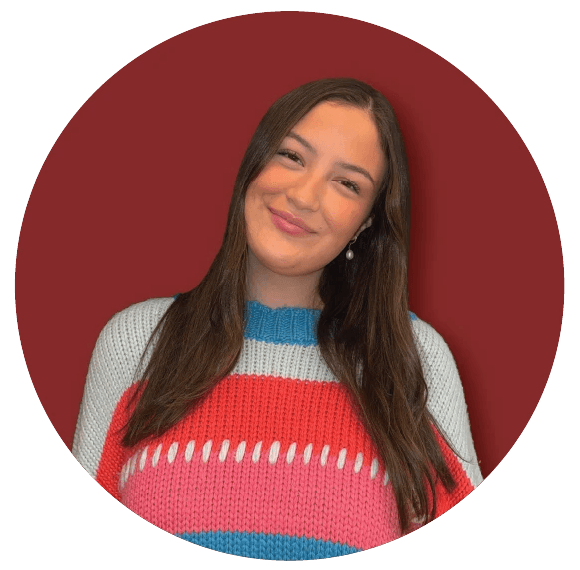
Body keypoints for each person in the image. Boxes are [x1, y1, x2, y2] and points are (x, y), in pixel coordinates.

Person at [72, 77, 482, 560]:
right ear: (254, 163)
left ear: (367, 222)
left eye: (347, 183)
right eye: (291, 156)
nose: (304, 196)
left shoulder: (411, 358)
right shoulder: (137, 342)